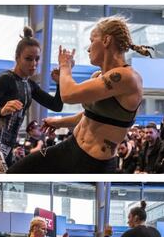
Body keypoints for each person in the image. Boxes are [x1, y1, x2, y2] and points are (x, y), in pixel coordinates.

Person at [8, 16, 153, 173]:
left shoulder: (127, 77)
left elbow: (68, 95)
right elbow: (89, 115)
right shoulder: (98, 76)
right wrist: (58, 122)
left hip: (94, 163)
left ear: (106, 41)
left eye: (92, 41)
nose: (89, 48)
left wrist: (65, 66)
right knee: (16, 172)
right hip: (71, 147)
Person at [0, 26, 63, 173]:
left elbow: (56, 105)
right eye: (28, 59)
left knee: (6, 190)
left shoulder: (30, 85)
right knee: (2, 189)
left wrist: (60, 83)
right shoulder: (4, 79)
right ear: (17, 58)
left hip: (8, 148)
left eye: (37, 59)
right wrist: (0, 110)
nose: (33, 64)